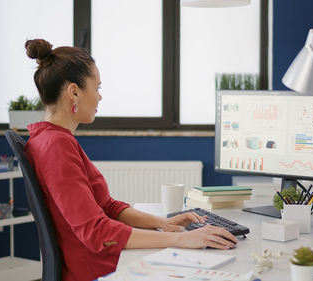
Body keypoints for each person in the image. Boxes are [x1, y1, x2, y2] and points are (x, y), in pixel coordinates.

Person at [23, 39, 237, 281]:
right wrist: (181, 238)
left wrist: (163, 223)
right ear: (74, 92)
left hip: (101, 260)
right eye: (97, 88)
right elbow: (96, 232)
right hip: (96, 268)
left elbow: (107, 207)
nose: (100, 97)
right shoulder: (56, 147)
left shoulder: (53, 139)